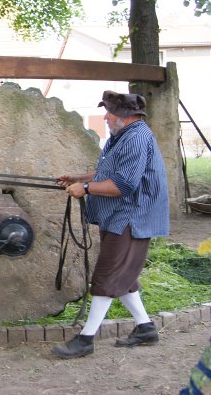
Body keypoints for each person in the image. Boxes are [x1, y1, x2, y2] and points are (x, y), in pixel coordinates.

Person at [50, 90, 169, 359]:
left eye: (110, 112)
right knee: (122, 276)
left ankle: (85, 339)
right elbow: (112, 172)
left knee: (106, 276)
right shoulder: (122, 137)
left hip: (132, 218)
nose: (105, 116)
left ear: (126, 116)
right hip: (119, 216)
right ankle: (145, 328)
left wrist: (87, 188)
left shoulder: (136, 139)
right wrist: (78, 178)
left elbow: (123, 185)